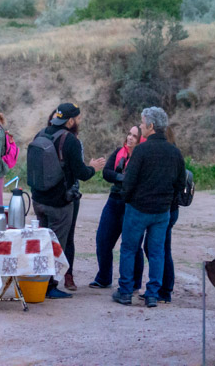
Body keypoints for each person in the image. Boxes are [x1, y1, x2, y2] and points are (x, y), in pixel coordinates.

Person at [30, 103, 106, 298]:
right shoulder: (69, 140)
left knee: (42, 243)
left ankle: (38, 282)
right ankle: (49, 286)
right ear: (70, 121)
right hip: (59, 204)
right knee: (56, 245)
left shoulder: (41, 134)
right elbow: (82, 173)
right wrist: (93, 168)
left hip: (38, 200)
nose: (79, 122)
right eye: (78, 119)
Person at [113, 107, 185, 308]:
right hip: (162, 212)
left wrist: (126, 198)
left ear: (151, 126)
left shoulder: (142, 150)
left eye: (143, 123)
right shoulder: (174, 152)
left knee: (128, 249)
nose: (141, 126)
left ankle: (126, 292)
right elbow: (180, 183)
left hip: (138, 209)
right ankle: (153, 293)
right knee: (156, 252)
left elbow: (130, 181)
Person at [90, 125, 144, 291]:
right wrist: (122, 178)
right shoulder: (119, 152)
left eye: (134, 136)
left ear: (140, 140)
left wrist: (119, 178)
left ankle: (135, 283)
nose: (130, 138)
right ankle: (104, 278)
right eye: (129, 134)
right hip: (114, 201)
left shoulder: (143, 157)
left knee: (133, 245)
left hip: (132, 204)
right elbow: (106, 173)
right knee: (102, 240)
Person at [156, 123, 181, 304]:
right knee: (162, 248)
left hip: (165, 208)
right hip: (172, 208)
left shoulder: (166, 155)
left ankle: (164, 290)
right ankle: (164, 289)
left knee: (161, 249)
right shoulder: (176, 153)